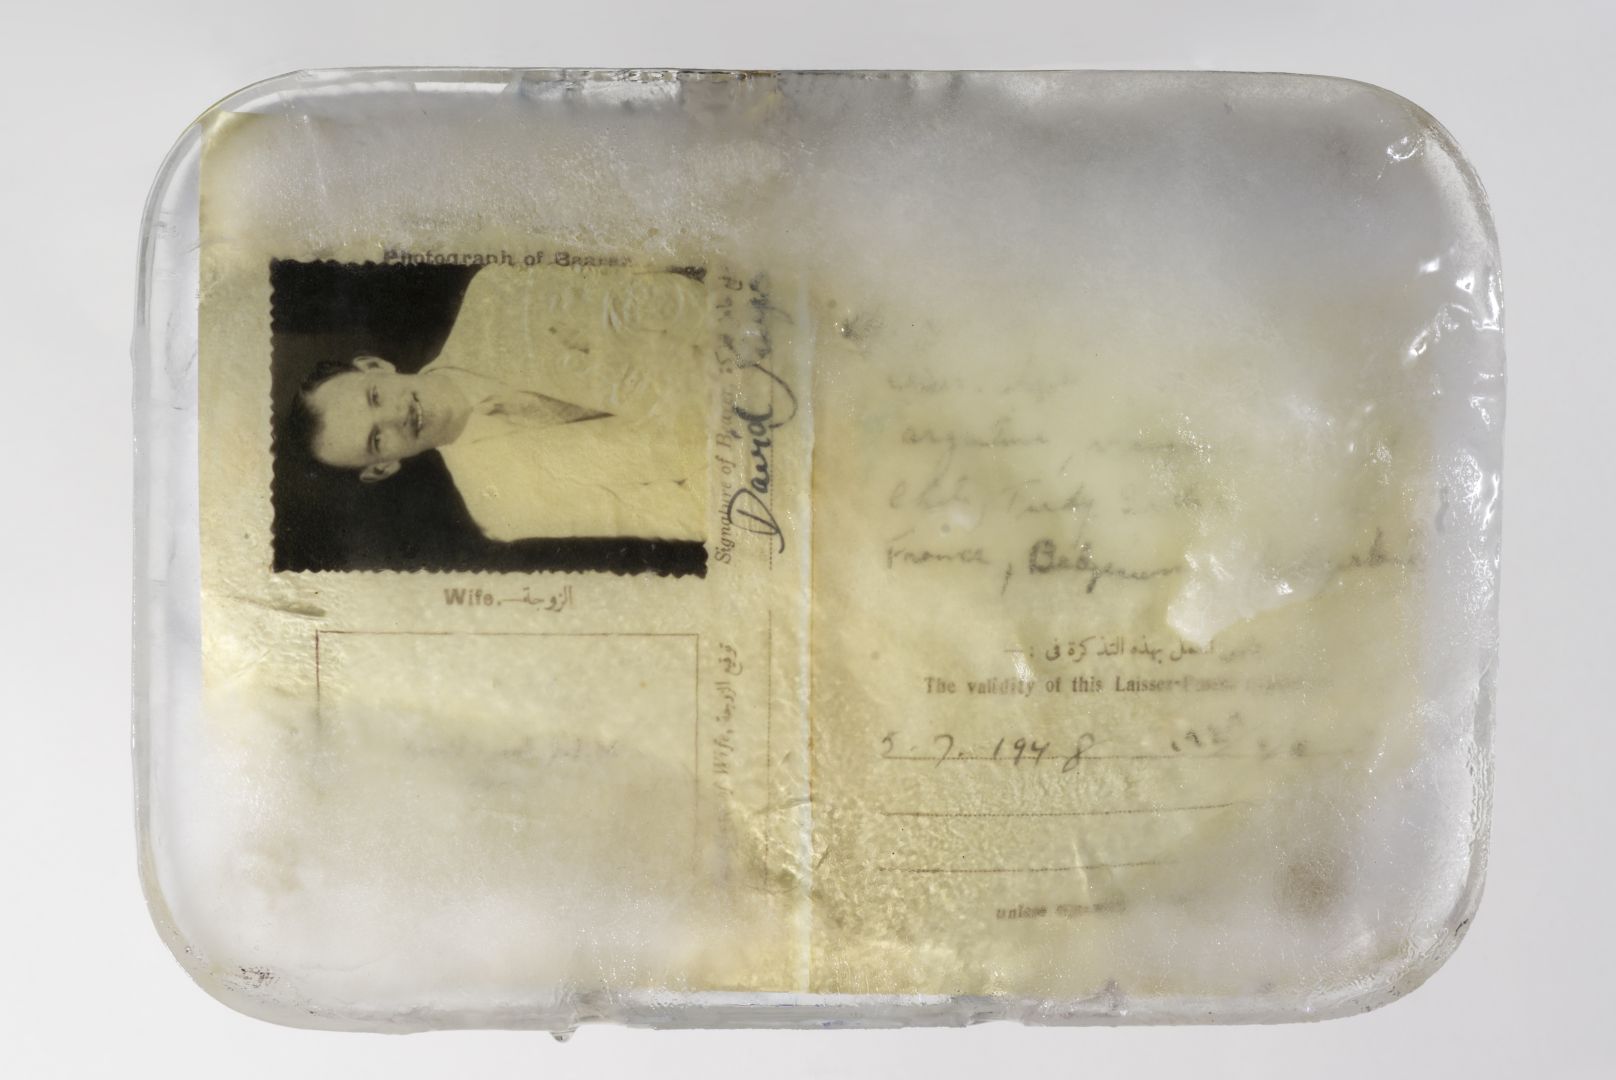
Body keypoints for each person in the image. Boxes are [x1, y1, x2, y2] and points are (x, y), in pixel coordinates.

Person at [290, 264, 710, 542]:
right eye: (376, 440)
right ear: (383, 467)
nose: (396, 416)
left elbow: (681, 305)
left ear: (375, 366)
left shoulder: (497, 297)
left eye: (375, 397)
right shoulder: (500, 508)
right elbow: (681, 517)